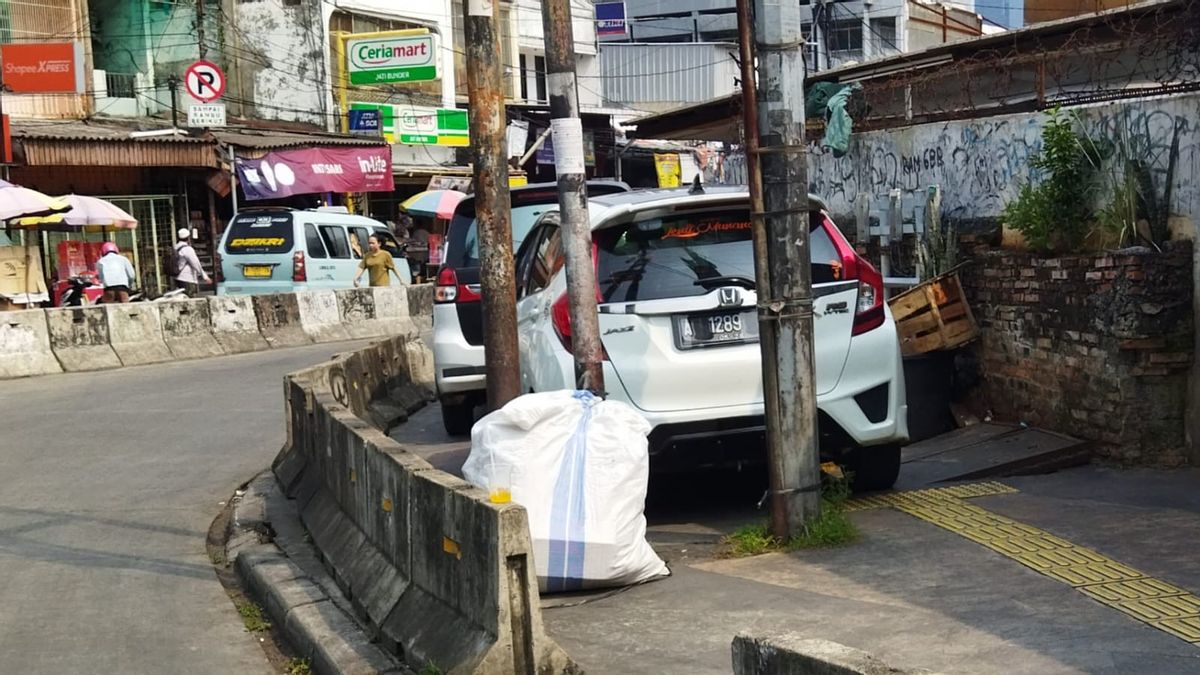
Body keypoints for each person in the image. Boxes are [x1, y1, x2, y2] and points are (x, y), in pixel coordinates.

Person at [173, 228, 211, 295]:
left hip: (178, 277)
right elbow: (195, 263)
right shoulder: (187, 249)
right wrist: (205, 276)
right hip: (187, 279)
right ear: (188, 237)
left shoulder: (176, 247)